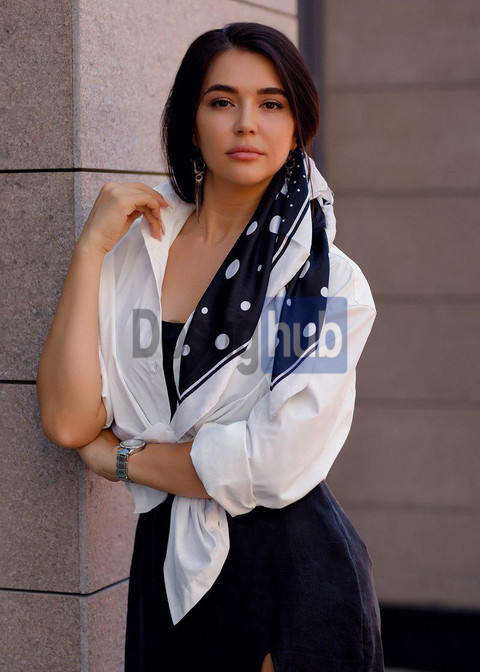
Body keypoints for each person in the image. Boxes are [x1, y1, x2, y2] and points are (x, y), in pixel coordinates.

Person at [37, 21, 385, 672]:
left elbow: (275, 465)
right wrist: (89, 250)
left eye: (271, 103)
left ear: (297, 126)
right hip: (165, 571)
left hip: (290, 576)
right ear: (190, 125)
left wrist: (121, 459)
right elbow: (67, 420)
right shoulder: (136, 253)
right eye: (222, 101)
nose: (246, 123)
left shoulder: (327, 284)